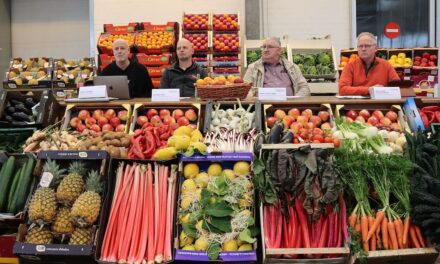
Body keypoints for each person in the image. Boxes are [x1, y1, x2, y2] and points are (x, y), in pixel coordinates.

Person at [243, 37, 310, 97]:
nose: (265, 50)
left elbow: (304, 88)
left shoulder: (292, 67)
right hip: (262, 107)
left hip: (290, 107)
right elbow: (245, 89)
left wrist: (295, 101)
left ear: (279, 50)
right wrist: (255, 97)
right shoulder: (253, 68)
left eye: (270, 47)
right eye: (263, 47)